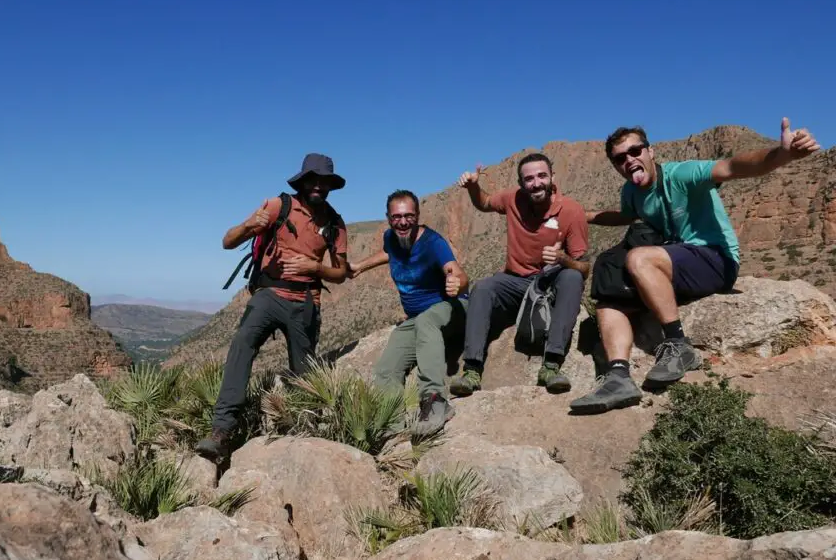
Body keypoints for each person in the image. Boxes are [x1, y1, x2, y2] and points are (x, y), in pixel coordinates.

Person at [570, 117, 822, 414]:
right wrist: (580, 215)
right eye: (620, 158)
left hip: (715, 259)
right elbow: (626, 216)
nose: (629, 160)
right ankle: (618, 376)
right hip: (674, 263)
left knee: (638, 258)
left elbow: (733, 167)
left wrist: (783, 154)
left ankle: (679, 345)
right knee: (608, 291)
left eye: (635, 151)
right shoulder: (632, 192)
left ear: (650, 152)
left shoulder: (682, 174)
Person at [195, 153, 349, 460]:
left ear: (330, 186)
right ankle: (222, 430)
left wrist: (315, 268)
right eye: (313, 179)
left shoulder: (334, 222)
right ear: (303, 180)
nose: (318, 186)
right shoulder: (279, 206)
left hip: (306, 300)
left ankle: (301, 430)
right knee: (242, 343)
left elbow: (341, 273)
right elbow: (227, 241)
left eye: (325, 181)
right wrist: (250, 224)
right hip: (270, 294)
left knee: (302, 372)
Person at [448, 153, 590, 396]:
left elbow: (585, 268)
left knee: (573, 277)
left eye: (542, 176)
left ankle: (551, 365)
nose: (536, 183)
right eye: (529, 179)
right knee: (483, 287)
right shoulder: (513, 199)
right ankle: (471, 369)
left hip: (549, 283)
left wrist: (563, 259)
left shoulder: (571, 211)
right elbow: (484, 203)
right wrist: (473, 187)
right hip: (514, 281)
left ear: (552, 177)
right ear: (522, 184)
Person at [347, 190, 469, 434]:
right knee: (386, 368)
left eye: (409, 216)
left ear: (418, 216)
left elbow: (457, 271)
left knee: (426, 321)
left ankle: (435, 401)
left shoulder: (433, 243)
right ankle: (392, 423)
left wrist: (459, 283)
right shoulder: (391, 238)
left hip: (451, 309)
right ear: (388, 218)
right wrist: (360, 266)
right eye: (397, 217)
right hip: (418, 319)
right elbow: (388, 252)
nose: (403, 222)